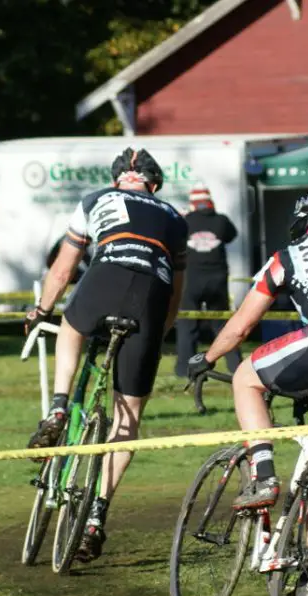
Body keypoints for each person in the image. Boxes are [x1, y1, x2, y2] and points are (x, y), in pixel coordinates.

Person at [23, 147, 187, 562]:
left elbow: (62, 271)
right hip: (151, 298)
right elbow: (175, 298)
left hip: (105, 278)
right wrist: (156, 336)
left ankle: (59, 408)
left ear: (118, 180)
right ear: (155, 184)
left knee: (70, 328)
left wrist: (41, 310)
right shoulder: (174, 217)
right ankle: (96, 517)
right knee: (127, 421)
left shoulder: (96, 199)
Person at [186, 193, 308, 518]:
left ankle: (264, 475)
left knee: (245, 378)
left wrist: (207, 358)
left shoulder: (288, 256)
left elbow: (242, 325)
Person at [174, 185, 241, 377]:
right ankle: (235, 365)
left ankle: (184, 369)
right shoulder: (221, 220)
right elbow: (230, 236)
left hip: (191, 279)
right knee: (222, 325)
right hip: (217, 280)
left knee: (188, 325)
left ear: (192, 203)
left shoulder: (185, 221)